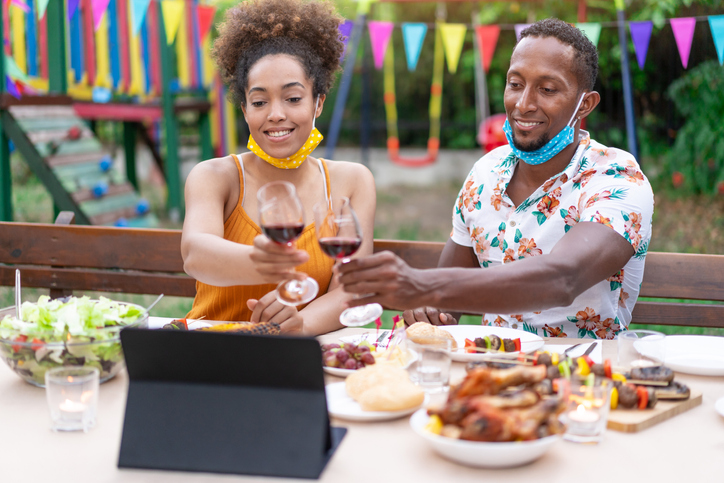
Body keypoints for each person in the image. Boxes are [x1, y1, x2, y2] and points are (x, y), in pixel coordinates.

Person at [337, 18, 654, 339]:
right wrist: (429, 307)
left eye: (547, 89)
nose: (523, 103)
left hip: (586, 373)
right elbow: (446, 299)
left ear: (585, 103)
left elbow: (562, 280)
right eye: (516, 84)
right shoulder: (486, 172)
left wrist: (424, 284)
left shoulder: (616, 178)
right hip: (491, 367)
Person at [181, 0, 375, 335]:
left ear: (319, 101)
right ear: (244, 110)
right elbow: (196, 254)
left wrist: (298, 325)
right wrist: (262, 263)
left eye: (293, 98)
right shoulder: (214, 177)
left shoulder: (352, 181)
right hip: (211, 354)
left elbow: (352, 287)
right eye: (259, 102)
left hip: (301, 357)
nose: (275, 114)